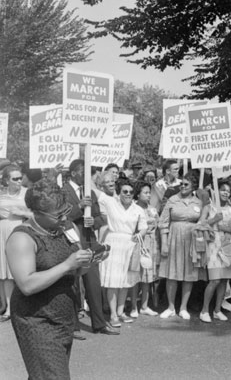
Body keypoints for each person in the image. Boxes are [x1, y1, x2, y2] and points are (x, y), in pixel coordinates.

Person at [6, 179, 93, 379]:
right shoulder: (22, 238)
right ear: (37, 213)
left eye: (66, 210)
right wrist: (67, 265)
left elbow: (76, 271)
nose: (64, 217)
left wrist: (86, 261)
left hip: (64, 319)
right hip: (37, 320)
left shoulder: (66, 228)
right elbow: (26, 284)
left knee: (43, 375)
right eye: (58, 214)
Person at [62, 160, 118, 335]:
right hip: (71, 241)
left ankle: (99, 324)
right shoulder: (62, 191)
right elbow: (62, 217)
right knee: (73, 284)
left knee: (93, 283)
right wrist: (79, 207)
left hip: (89, 241)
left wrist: (94, 221)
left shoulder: (90, 192)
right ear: (72, 173)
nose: (85, 175)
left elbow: (101, 218)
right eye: (81, 171)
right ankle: (73, 325)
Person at [98, 179, 147, 327]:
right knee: (113, 281)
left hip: (130, 244)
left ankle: (120, 312)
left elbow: (143, 227)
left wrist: (139, 235)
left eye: (131, 192)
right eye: (125, 191)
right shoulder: (110, 202)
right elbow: (95, 189)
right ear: (119, 192)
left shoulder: (138, 209)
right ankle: (113, 314)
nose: (128, 194)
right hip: (113, 242)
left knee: (125, 281)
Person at [158, 172, 204, 320]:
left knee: (188, 274)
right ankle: (171, 307)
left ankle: (183, 307)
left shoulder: (198, 202)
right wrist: (164, 243)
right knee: (172, 273)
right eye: (181, 184)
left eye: (186, 184)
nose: (182, 187)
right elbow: (163, 223)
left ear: (193, 187)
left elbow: (204, 220)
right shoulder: (173, 199)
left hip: (192, 240)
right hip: (174, 238)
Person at [199, 181, 231, 323]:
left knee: (224, 280)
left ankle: (217, 310)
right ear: (216, 191)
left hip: (228, 245)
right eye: (223, 190)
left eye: (228, 190)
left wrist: (226, 228)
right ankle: (204, 311)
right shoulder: (209, 207)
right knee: (214, 280)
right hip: (213, 245)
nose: (226, 193)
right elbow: (200, 224)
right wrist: (214, 220)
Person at [0, 165, 31, 322]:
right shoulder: (1, 195)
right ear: (6, 180)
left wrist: (23, 213)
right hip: (2, 231)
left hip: (20, 231)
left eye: (20, 178)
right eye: (15, 179)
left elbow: (38, 214)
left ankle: (23, 308)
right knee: (4, 273)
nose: (19, 181)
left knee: (19, 271)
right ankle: (9, 309)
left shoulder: (27, 193)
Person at [131, 181, 160, 317]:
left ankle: (144, 305)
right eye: (145, 192)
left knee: (147, 277)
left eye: (150, 192)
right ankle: (133, 307)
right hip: (138, 243)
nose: (148, 195)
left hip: (151, 244)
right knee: (136, 275)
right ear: (138, 194)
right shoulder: (133, 208)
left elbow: (157, 225)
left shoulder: (153, 209)